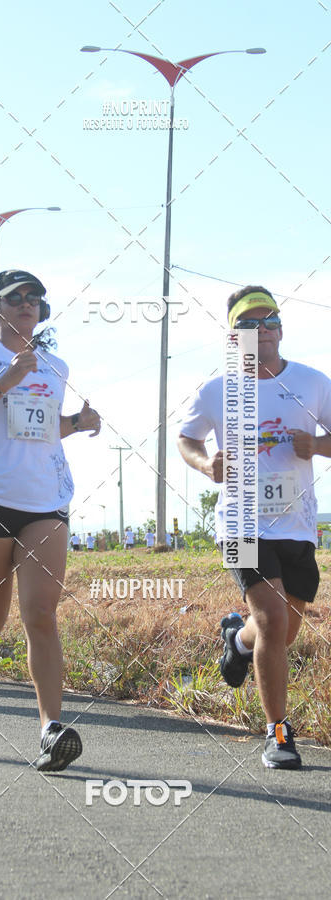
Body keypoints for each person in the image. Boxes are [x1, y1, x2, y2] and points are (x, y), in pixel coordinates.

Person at [0, 269, 101, 772]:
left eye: (35, 298)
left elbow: (39, 427)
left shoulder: (56, 365)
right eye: (16, 298)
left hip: (45, 502)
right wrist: (3, 379)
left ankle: (50, 730)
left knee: (40, 613)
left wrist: (78, 422)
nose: (27, 304)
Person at [178, 285, 331, 769]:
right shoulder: (217, 389)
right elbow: (186, 439)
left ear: (281, 330)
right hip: (241, 521)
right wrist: (206, 466)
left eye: (267, 322)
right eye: (247, 324)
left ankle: (237, 642)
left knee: (284, 628)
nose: (259, 331)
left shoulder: (312, 383)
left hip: (298, 523)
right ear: (233, 337)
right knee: (270, 617)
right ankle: (278, 734)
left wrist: (318, 446)